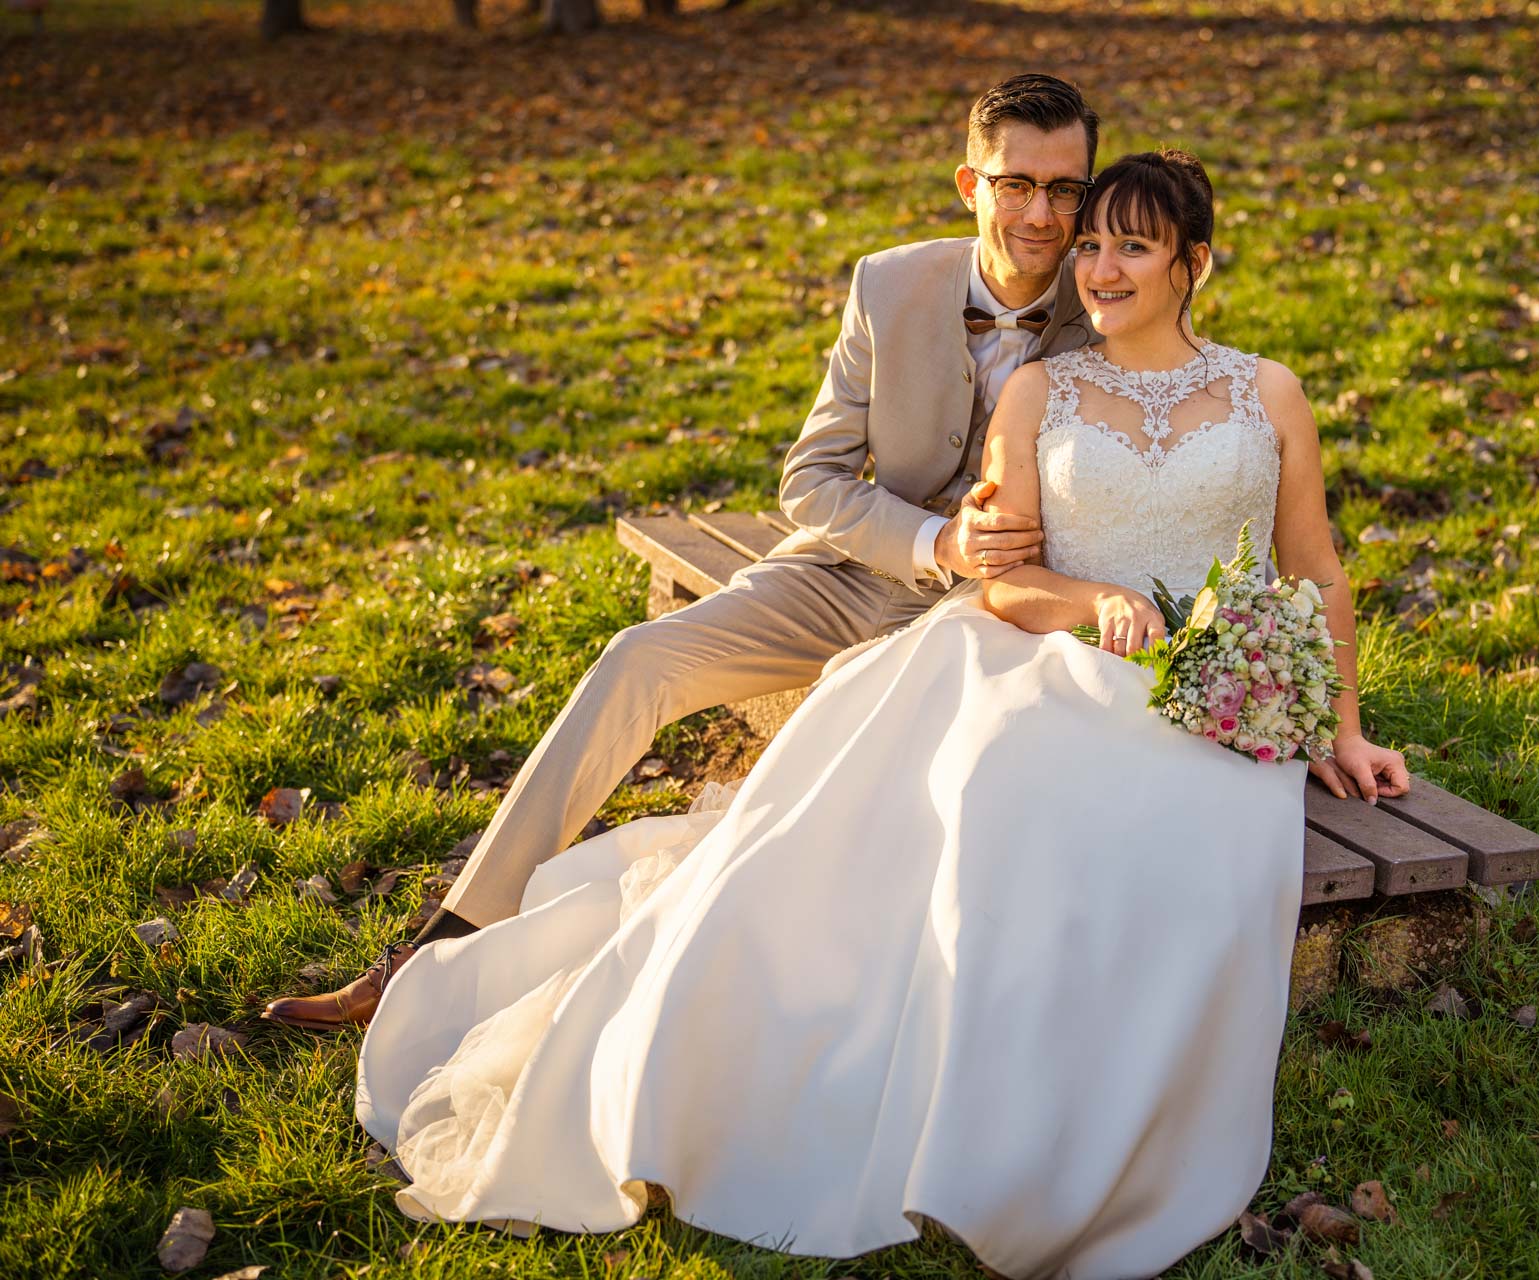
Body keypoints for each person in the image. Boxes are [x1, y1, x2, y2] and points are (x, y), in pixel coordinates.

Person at [354, 148, 1410, 1279]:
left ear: (1194, 262)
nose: (1098, 266)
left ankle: (1061, 1134)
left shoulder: (1270, 391)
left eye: (1131, 246)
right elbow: (1005, 579)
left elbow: (1320, 574)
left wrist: (1339, 726)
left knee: (1147, 844)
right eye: (1091, 242)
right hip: (1047, 656)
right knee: (992, 799)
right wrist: (1095, 600)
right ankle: (921, 1106)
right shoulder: (1042, 389)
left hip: (1216, 697)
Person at [260, 72, 1107, 1031]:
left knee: (833, 752)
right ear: (970, 185)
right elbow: (812, 478)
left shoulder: (1112, 304)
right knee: (637, 658)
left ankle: (693, 1000)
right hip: (850, 568)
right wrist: (930, 538)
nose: (1043, 213)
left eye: (1066, 189)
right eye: (1016, 184)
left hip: (978, 619)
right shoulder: (890, 281)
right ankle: (439, 949)